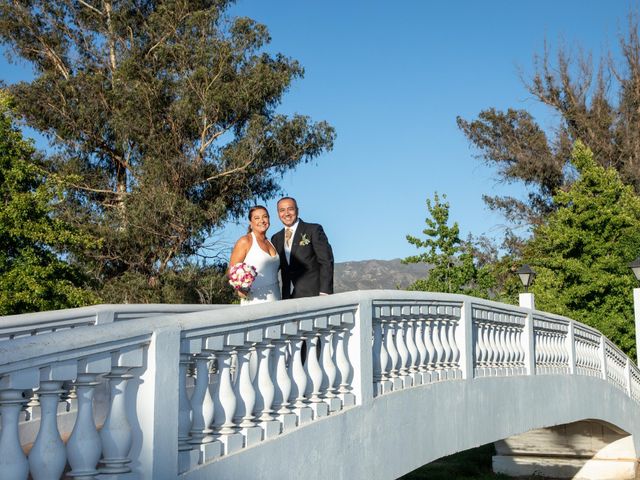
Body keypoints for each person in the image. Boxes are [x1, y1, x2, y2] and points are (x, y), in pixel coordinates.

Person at [271, 197, 334, 299]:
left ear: (297, 210)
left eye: (290, 209)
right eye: (282, 210)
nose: (286, 213)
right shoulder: (276, 238)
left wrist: (325, 292)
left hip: (313, 295)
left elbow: (326, 261)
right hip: (287, 297)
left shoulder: (313, 230)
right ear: (278, 213)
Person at [229, 206, 281, 305]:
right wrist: (240, 288)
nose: (262, 220)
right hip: (255, 299)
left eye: (265, 217)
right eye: (257, 218)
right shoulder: (245, 241)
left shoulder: (271, 242)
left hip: (276, 298)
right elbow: (231, 271)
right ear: (250, 222)